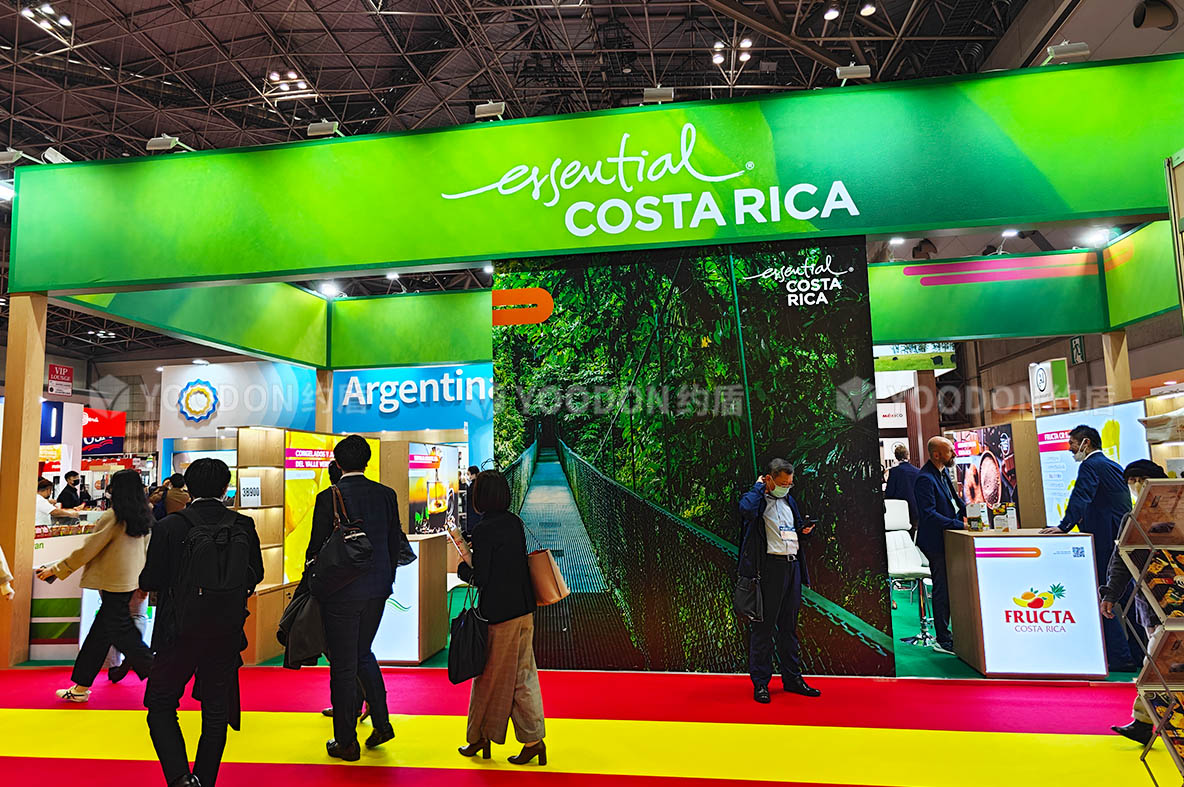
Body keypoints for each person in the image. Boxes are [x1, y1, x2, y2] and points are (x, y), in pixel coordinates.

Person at [141, 458, 264, 787]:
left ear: (187, 489)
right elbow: (256, 574)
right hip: (226, 629)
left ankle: (181, 778)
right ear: (226, 487)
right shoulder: (243, 524)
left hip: (176, 630)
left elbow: (151, 579)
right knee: (216, 710)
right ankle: (205, 779)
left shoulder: (170, 526)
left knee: (161, 704)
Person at [306, 435, 399, 761]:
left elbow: (315, 548)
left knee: (343, 666)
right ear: (367, 461)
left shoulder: (328, 497)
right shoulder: (386, 494)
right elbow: (394, 543)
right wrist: (387, 579)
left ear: (337, 462)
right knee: (362, 653)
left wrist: (310, 586)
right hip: (378, 588)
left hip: (341, 592)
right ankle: (382, 722)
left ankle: (346, 741)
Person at [36, 469, 154, 703]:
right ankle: (80, 687)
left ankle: (159, 673)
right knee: (100, 636)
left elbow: (88, 549)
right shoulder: (144, 516)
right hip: (129, 582)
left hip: (111, 582)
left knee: (121, 634)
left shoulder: (114, 516)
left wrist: (57, 569)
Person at [456, 470, 547, 765]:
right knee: (523, 676)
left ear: (480, 497)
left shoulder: (484, 529)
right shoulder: (514, 522)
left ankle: (479, 737)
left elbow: (482, 577)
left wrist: (463, 569)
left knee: (487, 677)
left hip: (499, 614)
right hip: (524, 609)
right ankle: (533, 740)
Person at [1039, 424, 1136, 671]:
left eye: (1072, 443)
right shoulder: (1112, 465)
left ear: (1086, 443)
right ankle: (1137, 653)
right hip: (1122, 538)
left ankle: (1120, 656)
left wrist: (1064, 526)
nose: (1069, 449)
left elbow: (1081, 496)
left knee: (1105, 596)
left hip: (1104, 540)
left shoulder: (1090, 465)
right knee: (1126, 595)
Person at [738, 458, 820, 704]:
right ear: (769, 479)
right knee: (763, 628)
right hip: (769, 570)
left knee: (788, 627)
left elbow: (793, 529)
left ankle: (792, 679)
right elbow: (746, 511)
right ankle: (761, 683)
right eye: (782, 483)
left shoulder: (789, 501)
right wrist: (758, 488)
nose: (786, 487)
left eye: (790, 484)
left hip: (791, 566)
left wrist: (803, 532)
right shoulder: (757, 499)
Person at [1103, 459, 1168, 745]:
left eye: (1137, 481)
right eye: (1131, 482)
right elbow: (1121, 560)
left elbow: (1121, 561)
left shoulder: (1170, 514)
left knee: (1157, 664)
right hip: (1154, 605)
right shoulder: (1133, 518)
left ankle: (1143, 721)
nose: (1135, 487)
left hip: (1165, 603)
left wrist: (1111, 594)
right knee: (1158, 663)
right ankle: (1143, 721)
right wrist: (1111, 593)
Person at [312, 460, 369, 723]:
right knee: (357, 650)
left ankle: (350, 708)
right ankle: (363, 702)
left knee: (339, 652)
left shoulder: (327, 498)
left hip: (335, 584)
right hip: (367, 583)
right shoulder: (377, 494)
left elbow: (315, 545)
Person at [914, 436, 966, 656]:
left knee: (949, 586)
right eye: (950, 451)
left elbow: (956, 502)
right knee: (942, 588)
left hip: (950, 538)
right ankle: (943, 638)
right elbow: (928, 514)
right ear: (937, 454)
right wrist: (958, 524)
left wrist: (974, 515)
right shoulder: (925, 479)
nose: (954, 454)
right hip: (935, 542)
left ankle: (953, 633)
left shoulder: (943, 473)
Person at [884, 443, 920, 525]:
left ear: (896, 457)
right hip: (915, 507)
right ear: (908, 456)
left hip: (900, 509)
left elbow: (890, 492)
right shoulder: (918, 471)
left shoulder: (894, 471)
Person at [462, 465, 482, 535]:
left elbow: (469, 494)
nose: (468, 476)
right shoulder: (479, 483)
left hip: (473, 513)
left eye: (468, 474)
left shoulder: (474, 485)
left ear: (473, 475)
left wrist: (464, 485)